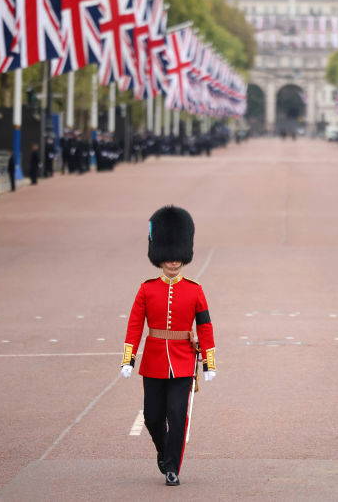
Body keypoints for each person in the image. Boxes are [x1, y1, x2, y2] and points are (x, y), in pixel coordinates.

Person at [120, 206, 217, 487]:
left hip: (184, 361)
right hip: (152, 361)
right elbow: (135, 325)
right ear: (159, 257)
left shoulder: (195, 290)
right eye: (168, 258)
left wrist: (209, 362)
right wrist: (128, 359)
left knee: (177, 415)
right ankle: (163, 451)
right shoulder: (146, 289)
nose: (173, 263)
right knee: (152, 417)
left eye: (177, 258)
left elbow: (205, 326)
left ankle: (173, 466)